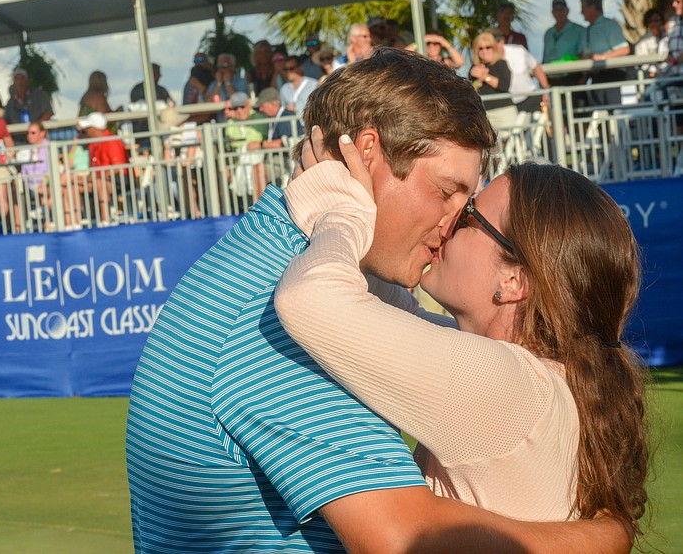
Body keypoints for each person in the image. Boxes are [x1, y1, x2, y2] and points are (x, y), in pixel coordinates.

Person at [125, 47, 632, 553]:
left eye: (470, 208)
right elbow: (396, 536)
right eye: (448, 191)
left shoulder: (257, 273)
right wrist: (602, 537)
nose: (453, 221)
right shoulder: (274, 322)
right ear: (367, 153)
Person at [276, 135, 649, 542]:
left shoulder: (504, 384)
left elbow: (310, 298)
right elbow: (389, 306)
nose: (448, 221)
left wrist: (342, 213)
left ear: (513, 280)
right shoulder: (537, 377)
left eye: (469, 215)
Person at [579, 0, 631, 107]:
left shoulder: (610, 25)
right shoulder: (586, 31)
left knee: (615, 110)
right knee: (598, 112)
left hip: (613, 75)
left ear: (592, 7)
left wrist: (603, 57)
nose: (581, 12)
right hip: (595, 77)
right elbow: (581, 53)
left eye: (583, 8)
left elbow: (624, 49)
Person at [77, 111, 128, 224]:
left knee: (100, 182)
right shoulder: (93, 143)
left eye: (86, 129)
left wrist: (95, 177)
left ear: (93, 129)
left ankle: (105, 220)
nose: (85, 132)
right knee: (73, 184)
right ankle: (74, 223)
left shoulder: (111, 141)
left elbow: (118, 168)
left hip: (117, 180)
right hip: (100, 179)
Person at [490, 28, 551, 114]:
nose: (486, 49)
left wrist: (546, 91)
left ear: (500, 42)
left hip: (530, 97)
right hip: (506, 106)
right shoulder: (485, 60)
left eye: (489, 44)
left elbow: (535, 67)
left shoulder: (518, 51)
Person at [469, 32, 517, 130]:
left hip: (504, 111)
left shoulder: (501, 64)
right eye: (480, 48)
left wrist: (485, 76)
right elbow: (471, 91)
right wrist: (479, 79)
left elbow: (504, 85)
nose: (484, 51)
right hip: (484, 114)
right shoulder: (474, 68)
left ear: (494, 48)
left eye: (488, 47)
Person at [542, 0, 586, 88]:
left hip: (571, 77)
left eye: (561, 9)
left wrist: (584, 77)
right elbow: (545, 57)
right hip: (551, 78)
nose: (559, 13)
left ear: (567, 11)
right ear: (552, 12)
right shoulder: (548, 33)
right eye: (556, 10)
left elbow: (584, 54)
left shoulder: (579, 30)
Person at [16, 121, 51, 230]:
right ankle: (19, 228)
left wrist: (43, 184)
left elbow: (50, 170)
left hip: (46, 182)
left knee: (45, 191)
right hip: (31, 185)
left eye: (33, 133)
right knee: (16, 189)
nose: (29, 136)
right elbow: (24, 171)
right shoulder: (26, 150)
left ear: (42, 133)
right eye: (28, 133)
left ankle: (47, 223)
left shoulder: (49, 147)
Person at [4, 68, 54, 142]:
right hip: (19, 140)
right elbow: (5, 120)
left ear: (27, 81)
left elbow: (49, 112)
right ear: (14, 83)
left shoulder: (39, 95)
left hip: (39, 138)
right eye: (17, 79)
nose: (20, 82)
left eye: (22, 79)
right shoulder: (11, 103)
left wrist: (37, 125)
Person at [279, 55, 318, 132]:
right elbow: (282, 110)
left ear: (300, 67)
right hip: (291, 128)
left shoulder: (313, 84)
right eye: (286, 69)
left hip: (309, 127)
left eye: (292, 68)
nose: (289, 72)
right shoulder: (284, 89)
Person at [635, 9, 669, 78]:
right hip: (651, 77)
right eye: (650, 21)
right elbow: (642, 65)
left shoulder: (669, 37)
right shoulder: (642, 42)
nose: (653, 24)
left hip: (670, 73)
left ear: (662, 22)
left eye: (656, 20)